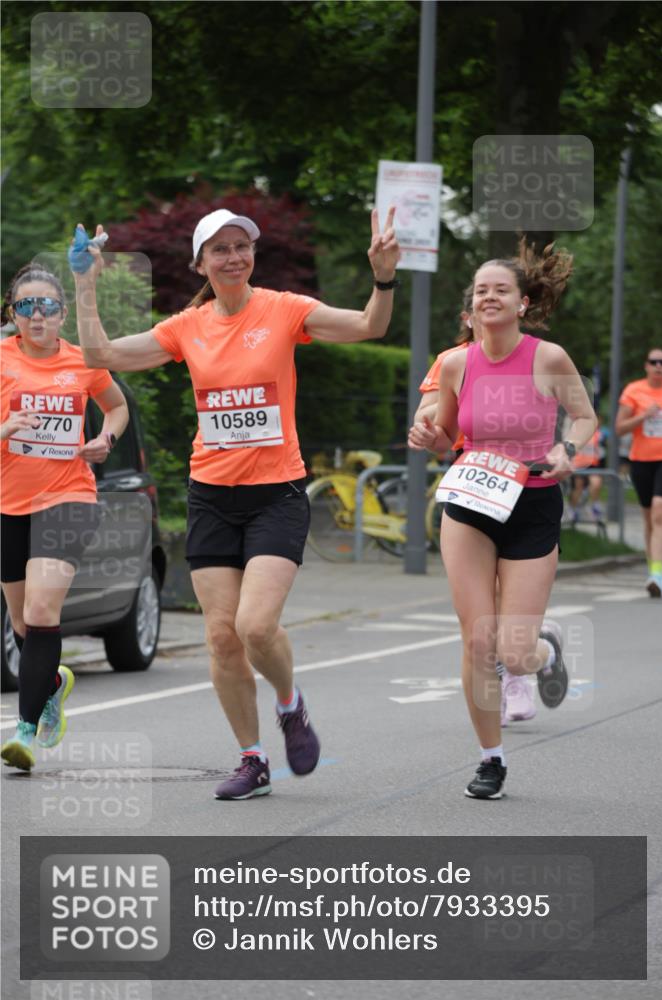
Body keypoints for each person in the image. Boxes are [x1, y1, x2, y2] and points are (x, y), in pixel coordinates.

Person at [70, 208, 400, 800]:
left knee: (254, 625)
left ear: (253, 254)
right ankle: (252, 759)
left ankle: (290, 705)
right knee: (221, 637)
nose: (233, 257)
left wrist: (383, 278)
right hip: (212, 496)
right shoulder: (185, 327)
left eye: (241, 245)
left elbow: (370, 326)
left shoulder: (284, 309)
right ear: (201, 263)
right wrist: (85, 285)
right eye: (219, 249)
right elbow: (100, 357)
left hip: (277, 494)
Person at [411, 239, 596, 799]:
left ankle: (545, 651)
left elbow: (585, 417)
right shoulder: (455, 362)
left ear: (521, 304)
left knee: (515, 651)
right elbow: (445, 435)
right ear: (471, 306)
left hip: (532, 501)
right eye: (481, 290)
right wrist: (426, 435)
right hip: (470, 500)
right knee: (479, 641)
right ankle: (491, 758)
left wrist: (567, 450)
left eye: (501, 290)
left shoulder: (548, 357)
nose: (490, 297)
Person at [0, 264, 128, 770]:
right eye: (26, 306)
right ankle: (51, 681)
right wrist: (6, 427)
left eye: (47, 306)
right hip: (8, 503)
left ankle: (26, 732)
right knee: (20, 620)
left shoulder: (83, 361)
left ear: (62, 313)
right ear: (12, 313)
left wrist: (105, 438)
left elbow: (115, 407)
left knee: (41, 612)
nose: (37, 315)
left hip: (69, 496)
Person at [409, 294, 538, 729]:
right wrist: (430, 422)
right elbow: (428, 410)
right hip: (475, 486)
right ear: (467, 317)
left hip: (524, 487)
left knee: (507, 599)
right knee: (481, 609)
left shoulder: (532, 355)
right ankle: (505, 680)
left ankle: (521, 666)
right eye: (475, 309)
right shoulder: (452, 360)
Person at [616, 348, 662, 598]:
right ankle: (656, 569)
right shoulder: (634, 391)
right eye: (654, 362)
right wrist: (643, 416)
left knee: (659, 511)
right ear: (646, 366)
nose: (659, 366)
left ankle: (657, 575)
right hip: (641, 461)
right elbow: (619, 428)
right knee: (650, 519)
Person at [567, 426, 604, 524]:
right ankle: (573, 508)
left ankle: (594, 505)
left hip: (592, 463)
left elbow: (600, 446)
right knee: (578, 487)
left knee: (596, 483)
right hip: (578, 464)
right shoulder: (574, 431)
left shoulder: (597, 432)